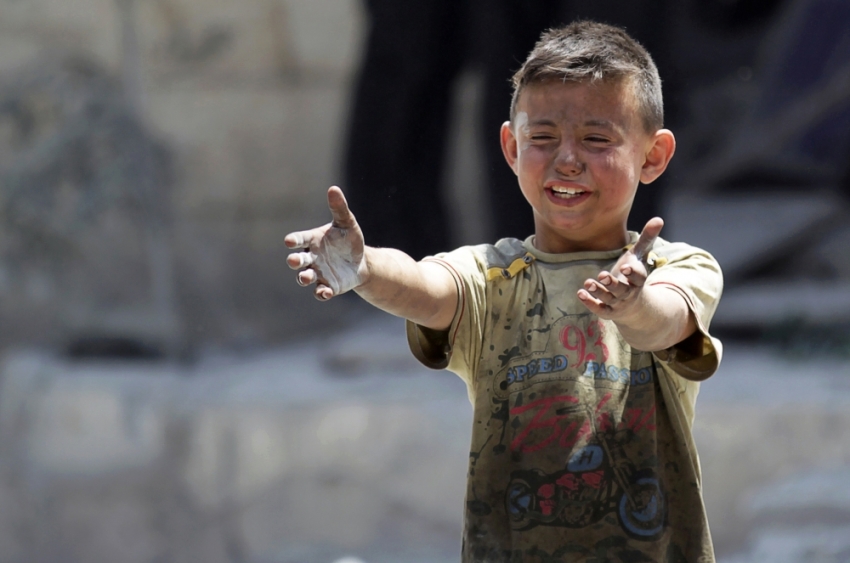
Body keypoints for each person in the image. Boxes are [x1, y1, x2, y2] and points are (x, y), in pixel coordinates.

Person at [286, 21, 723, 562]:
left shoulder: (673, 266)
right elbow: (424, 286)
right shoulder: (492, 277)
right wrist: (366, 267)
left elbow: (670, 321)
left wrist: (633, 305)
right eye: (543, 138)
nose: (567, 159)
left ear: (653, 156)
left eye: (596, 139)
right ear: (512, 147)